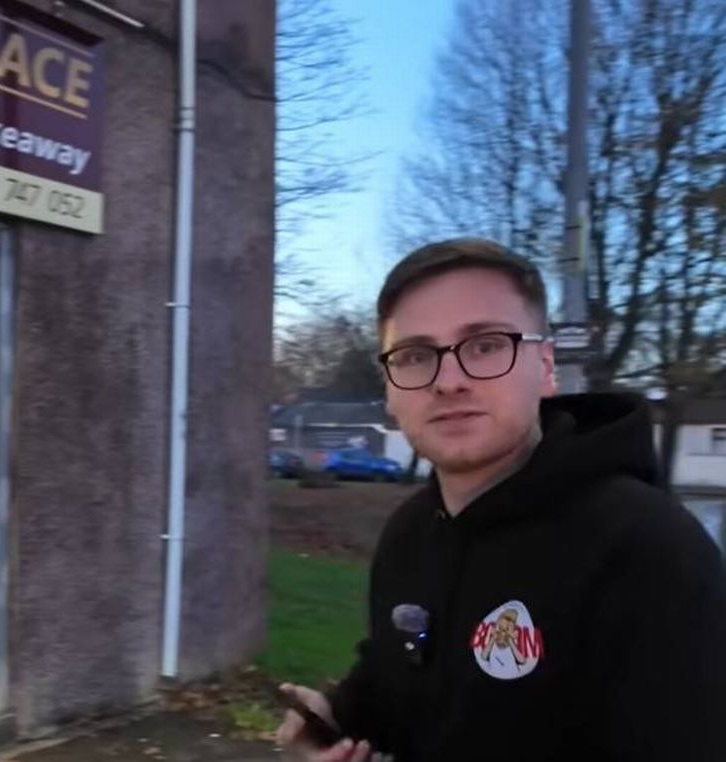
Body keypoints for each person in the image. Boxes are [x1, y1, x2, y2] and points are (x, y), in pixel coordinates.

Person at [276, 239, 726, 761]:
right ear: (391, 391)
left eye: (486, 345)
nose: (448, 381)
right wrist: (338, 720)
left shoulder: (649, 552)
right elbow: (391, 678)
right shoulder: (410, 533)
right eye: (416, 356)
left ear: (546, 366)